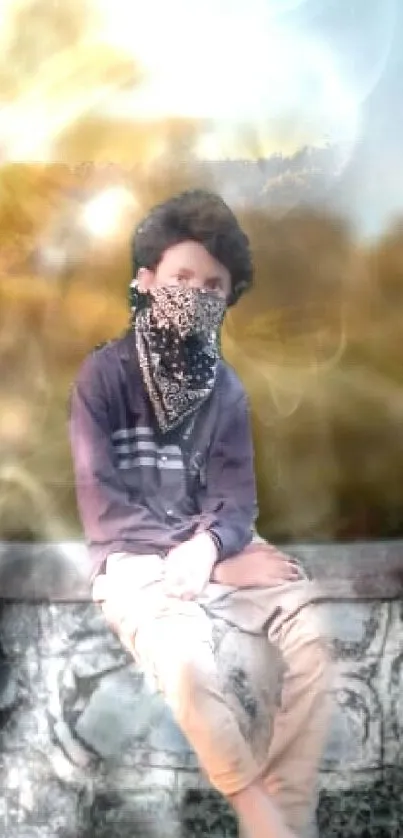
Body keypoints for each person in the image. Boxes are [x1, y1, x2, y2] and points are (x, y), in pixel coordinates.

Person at [69, 189, 332, 838]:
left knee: (314, 639)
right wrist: (204, 559)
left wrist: (211, 550)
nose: (195, 293)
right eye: (181, 277)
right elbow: (104, 510)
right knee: (184, 661)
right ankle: (253, 807)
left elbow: (234, 500)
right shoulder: (101, 377)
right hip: (132, 564)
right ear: (145, 282)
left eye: (212, 285)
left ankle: (288, 817)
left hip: (212, 551)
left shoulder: (225, 388)